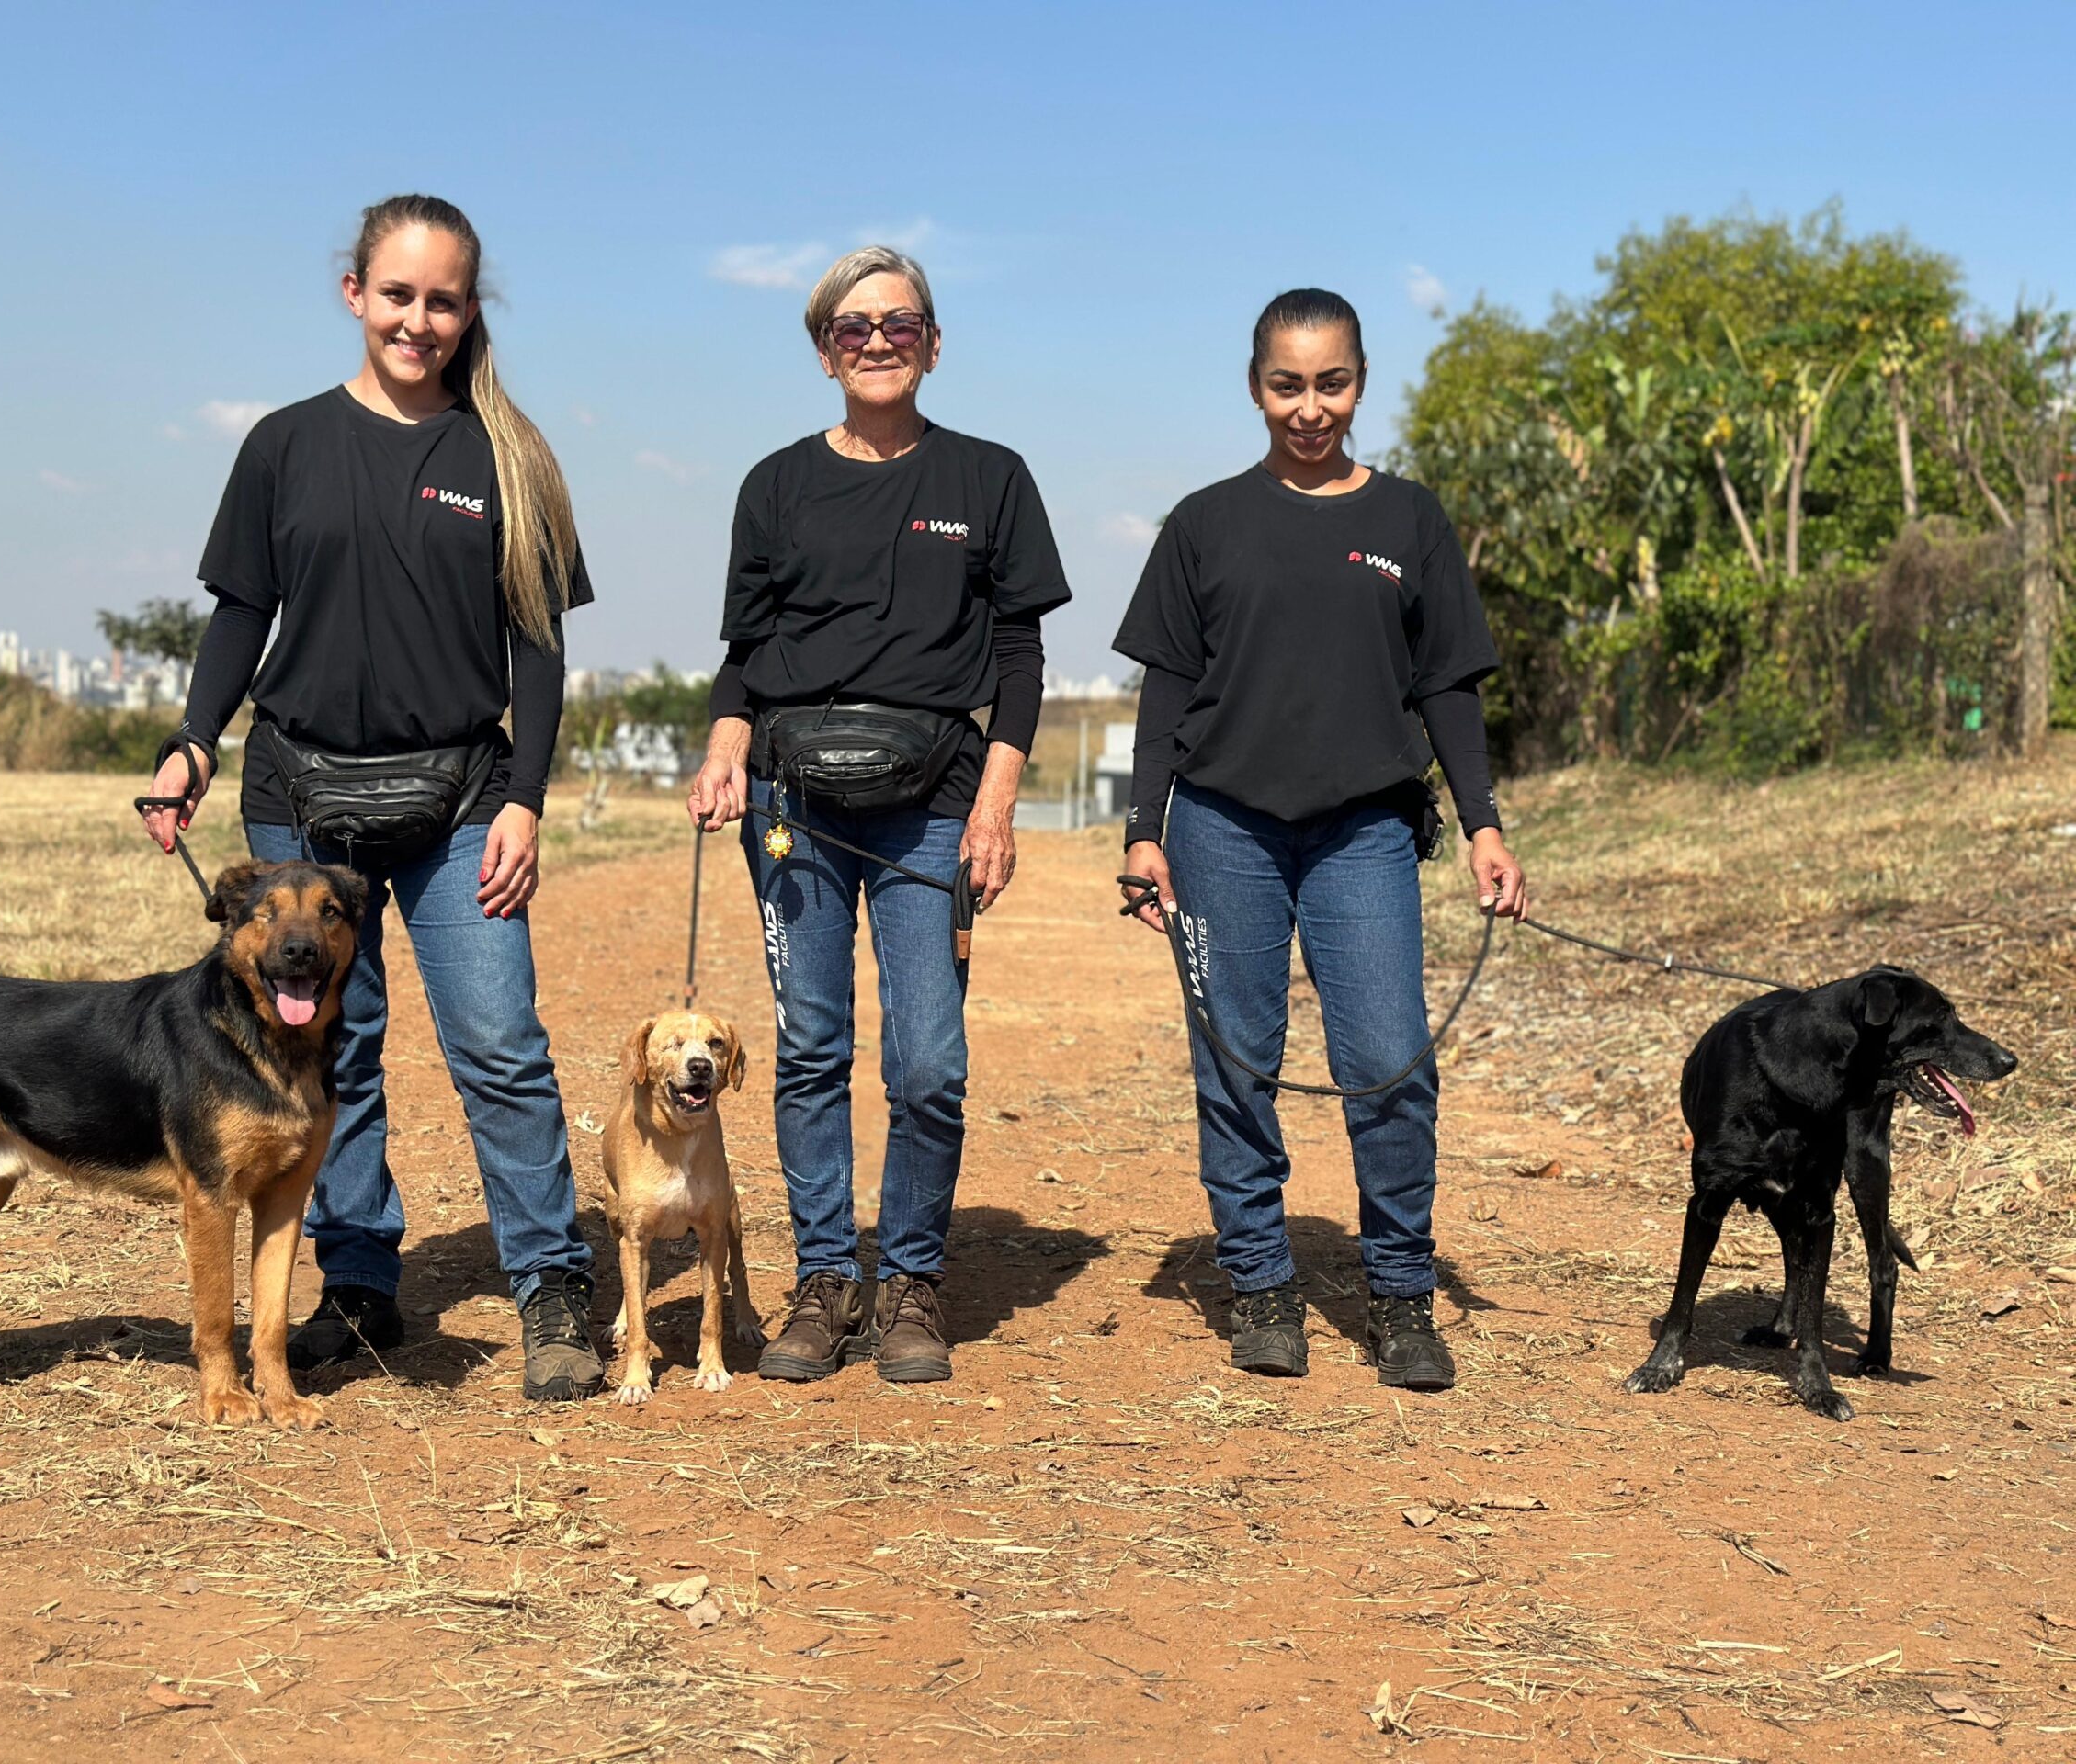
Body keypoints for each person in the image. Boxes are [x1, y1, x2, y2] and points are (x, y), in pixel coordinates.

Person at [138, 193, 606, 1402]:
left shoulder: (511, 455)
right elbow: (243, 612)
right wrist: (193, 743)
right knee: (322, 1043)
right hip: (300, 799)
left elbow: (539, 649)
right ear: (355, 295)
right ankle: (353, 1286)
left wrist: (528, 799)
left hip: (460, 805)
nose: (419, 319)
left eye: (443, 299)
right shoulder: (285, 444)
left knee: (498, 1043)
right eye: (397, 295)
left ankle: (553, 1286)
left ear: (468, 310)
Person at [1113, 288, 1527, 1392]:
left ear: (1359, 380)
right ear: (1256, 387)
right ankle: (1259, 1283)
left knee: (1389, 1064)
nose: (1310, 408)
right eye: (1287, 385)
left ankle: (1399, 1295)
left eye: (1330, 383)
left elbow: (1446, 688)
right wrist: (1142, 831)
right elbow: (1167, 691)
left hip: (1365, 834)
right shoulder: (1204, 523)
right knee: (1237, 1066)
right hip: (1221, 830)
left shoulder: (1408, 523)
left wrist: (1483, 824)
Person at [686, 246, 1071, 1385]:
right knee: (810, 1046)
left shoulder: (990, 479)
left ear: (935, 343)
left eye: (900, 323)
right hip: (792, 804)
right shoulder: (774, 485)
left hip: (933, 805)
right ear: (823, 351)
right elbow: (744, 657)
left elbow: (1019, 659)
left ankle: (908, 1282)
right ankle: (823, 1282)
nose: (877, 340)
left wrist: (994, 808)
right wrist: (724, 749)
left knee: (929, 1063)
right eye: (853, 327)